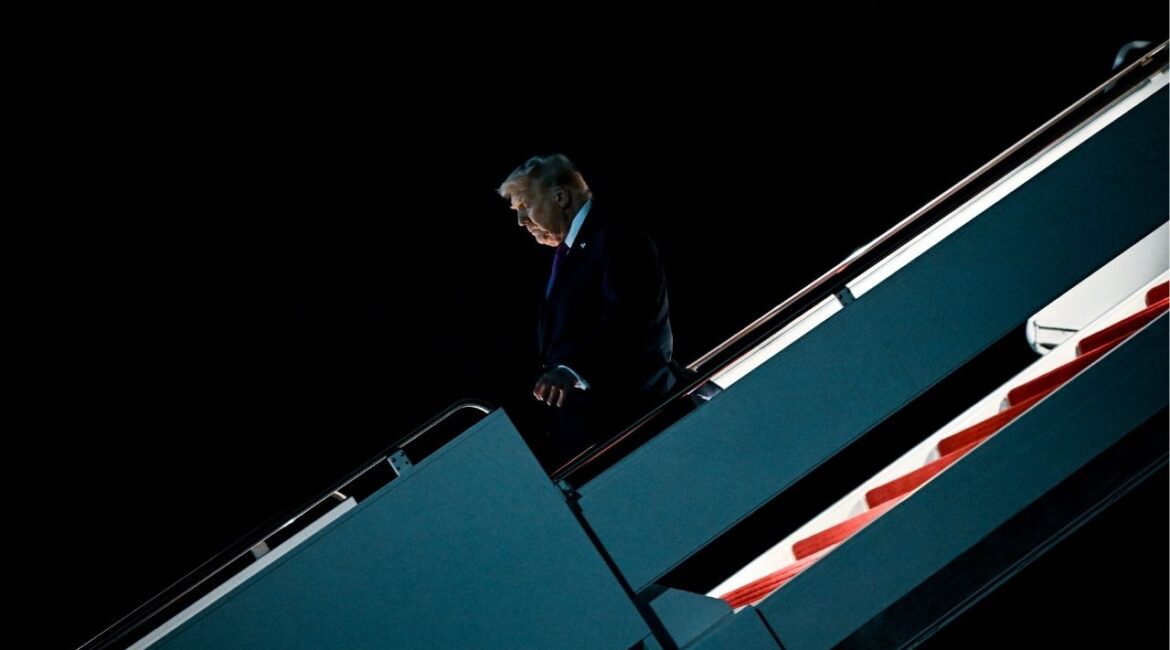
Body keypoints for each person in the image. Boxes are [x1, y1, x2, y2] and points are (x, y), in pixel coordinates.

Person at [498, 154, 678, 470]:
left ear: (560, 196)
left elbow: (629, 320)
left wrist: (571, 370)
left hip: (631, 428)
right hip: (594, 436)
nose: (520, 221)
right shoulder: (569, 253)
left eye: (525, 206)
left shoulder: (615, 235)